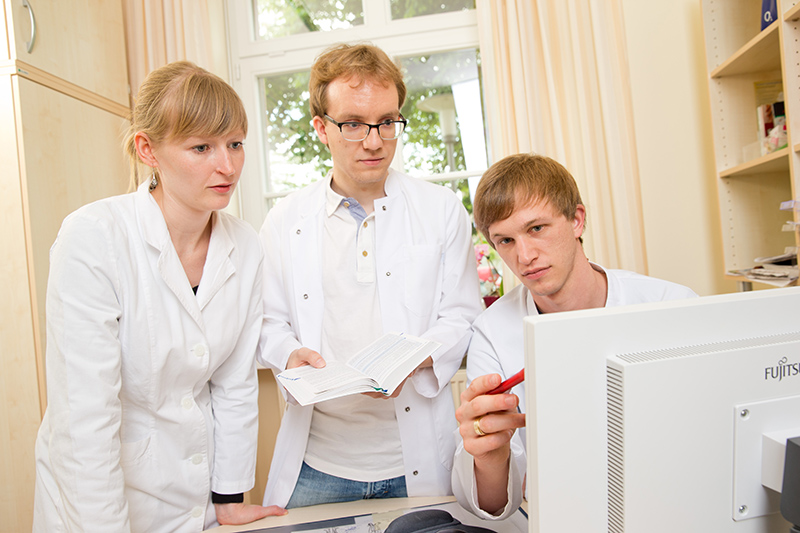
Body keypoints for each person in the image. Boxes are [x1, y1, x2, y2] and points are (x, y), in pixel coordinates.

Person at [32, 61, 286, 532]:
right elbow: (84, 418)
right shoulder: (94, 237)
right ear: (148, 149)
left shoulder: (244, 244)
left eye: (234, 144)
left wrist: (229, 499)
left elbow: (233, 384)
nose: (227, 166)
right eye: (201, 147)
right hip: (102, 504)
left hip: (195, 500)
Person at [258, 43, 482, 508]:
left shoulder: (440, 209)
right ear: (321, 128)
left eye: (386, 122)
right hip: (318, 465)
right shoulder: (285, 220)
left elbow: (462, 316)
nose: (375, 141)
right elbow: (268, 321)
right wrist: (289, 352)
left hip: (416, 457)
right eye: (353, 124)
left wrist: (411, 359)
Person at [451, 153, 697, 519]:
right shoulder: (491, 333)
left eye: (537, 228)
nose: (525, 256)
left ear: (577, 220)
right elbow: (493, 505)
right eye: (505, 240)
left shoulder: (670, 305)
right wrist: (490, 457)